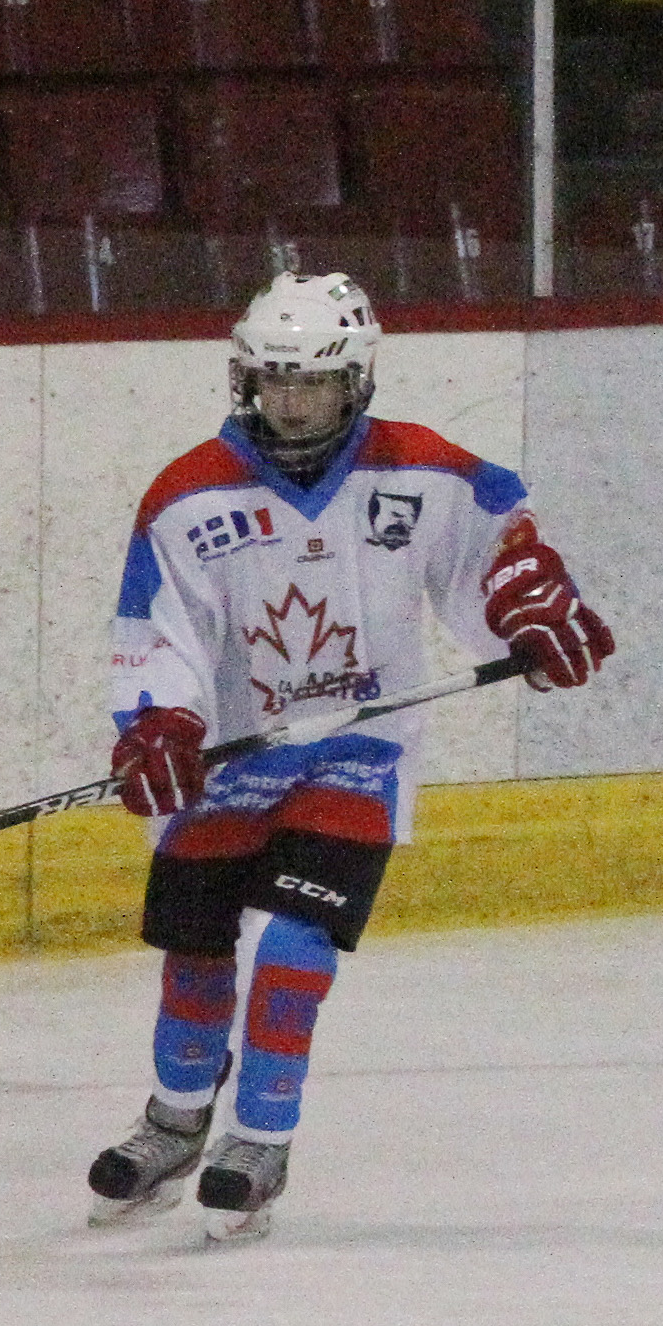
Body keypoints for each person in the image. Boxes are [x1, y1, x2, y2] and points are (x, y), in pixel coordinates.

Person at [84, 271, 614, 1238]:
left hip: (358, 745)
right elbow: (156, 628)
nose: (292, 401)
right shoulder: (187, 495)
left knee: (291, 943)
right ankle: (174, 1118)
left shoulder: (422, 470)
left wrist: (532, 607)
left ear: (356, 382)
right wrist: (158, 722)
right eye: (275, 379)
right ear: (247, 378)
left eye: (315, 382)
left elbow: (502, 537)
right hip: (235, 757)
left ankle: (259, 1140)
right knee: (196, 955)